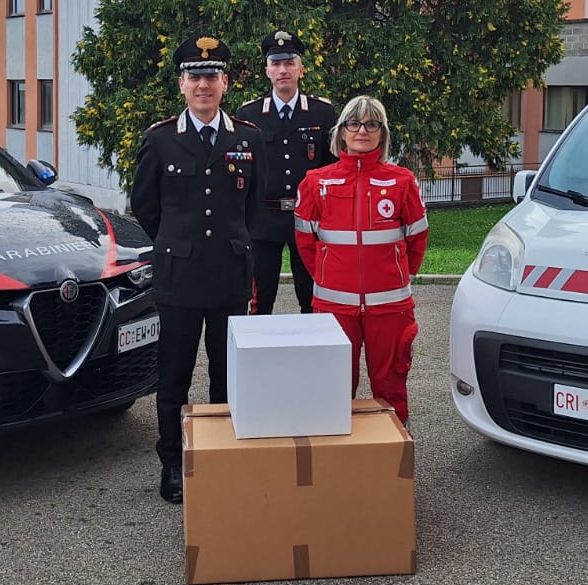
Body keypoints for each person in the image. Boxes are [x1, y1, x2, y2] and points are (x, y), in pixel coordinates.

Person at [130, 33, 262, 504]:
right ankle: (173, 462)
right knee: (175, 375)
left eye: (211, 76)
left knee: (227, 374)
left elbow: (253, 208)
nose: (203, 84)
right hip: (178, 278)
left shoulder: (248, 138)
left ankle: (222, 454)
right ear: (182, 85)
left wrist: (235, 243)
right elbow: (144, 206)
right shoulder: (161, 139)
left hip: (228, 275)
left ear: (225, 82)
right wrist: (176, 243)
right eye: (194, 76)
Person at [294, 95, 428, 425]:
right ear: (341, 132)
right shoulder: (316, 182)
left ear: (382, 134)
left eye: (371, 124)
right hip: (334, 307)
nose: (362, 131)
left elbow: (416, 240)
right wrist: (329, 278)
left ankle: (392, 462)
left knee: (391, 387)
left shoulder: (402, 182)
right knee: (335, 388)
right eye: (353, 124)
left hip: (390, 308)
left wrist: (394, 277)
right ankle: (341, 460)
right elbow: (305, 242)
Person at [235, 29, 337, 315]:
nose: (283, 70)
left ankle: (311, 355)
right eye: (276, 64)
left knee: (312, 296)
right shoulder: (249, 115)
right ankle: (257, 356)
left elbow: (330, 168)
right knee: (260, 299)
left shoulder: (322, 113)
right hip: (264, 221)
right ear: (267, 70)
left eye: (289, 63)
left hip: (308, 219)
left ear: (300, 69)